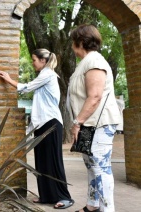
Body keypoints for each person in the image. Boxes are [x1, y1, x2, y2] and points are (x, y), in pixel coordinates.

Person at [0, 48, 74, 209]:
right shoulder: (44, 75)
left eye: (34, 60)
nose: (33, 63)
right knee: (42, 161)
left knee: (53, 161)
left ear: (43, 61)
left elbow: (26, 87)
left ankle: (65, 197)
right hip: (42, 123)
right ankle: (47, 196)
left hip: (51, 123)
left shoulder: (48, 74)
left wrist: (9, 80)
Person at [68, 24, 121, 212]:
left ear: (80, 42)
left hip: (99, 123)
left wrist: (77, 122)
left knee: (100, 167)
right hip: (90, 124)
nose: (71, 46)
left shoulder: (95, 62)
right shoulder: (86, 62)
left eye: (73, 41)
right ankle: (92, 206)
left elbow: (95, 96)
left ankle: (107, 209)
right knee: (92, 166)